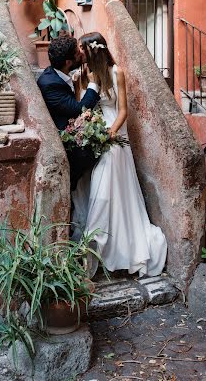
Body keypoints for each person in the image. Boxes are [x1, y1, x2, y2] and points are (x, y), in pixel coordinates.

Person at [72, 32, 167, 277]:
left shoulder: (117, 73)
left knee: (105, 192)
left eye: (82, 50)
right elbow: (83, 108)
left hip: (114, 137)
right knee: (99, 191)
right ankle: (102, 248)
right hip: (95, 136)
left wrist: (110, 133)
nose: (79, 54)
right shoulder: (85, 75)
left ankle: (100, 248)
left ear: (93, 51)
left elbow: (123, 110)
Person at [37, 35, 101, 190]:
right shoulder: (50, 84)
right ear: (68, 62)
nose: (81, 53)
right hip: (65, 146)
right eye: (78, 53)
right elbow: (78, 110)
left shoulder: (58, 74)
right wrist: (93, 83)